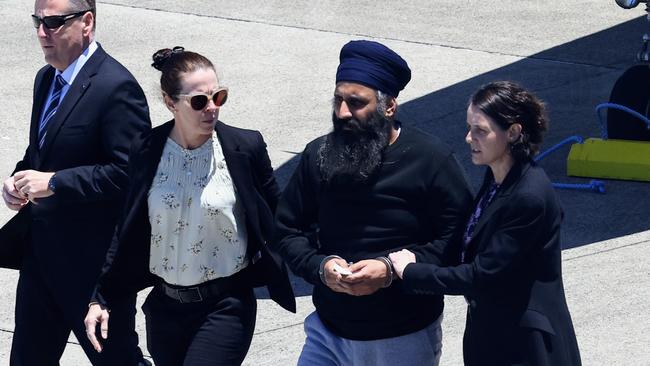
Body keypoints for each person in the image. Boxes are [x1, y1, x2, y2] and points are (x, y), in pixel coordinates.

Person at [84, 47, 296, 366]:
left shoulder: (244, 147)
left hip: (227, 305)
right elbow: (125, 225)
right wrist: (100, 296)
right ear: (171, 103)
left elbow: (282, 217)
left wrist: (319, 263)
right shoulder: (145, 149)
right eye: (199, 101)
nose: (211, 108)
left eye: (218, 97)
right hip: (166, 309)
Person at [272, 40, 472, 366]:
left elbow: (458, 239)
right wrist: (320, 267)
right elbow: (286, 230)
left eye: (356, 102)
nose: (342, 112)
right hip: (328, 332)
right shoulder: (318, 155)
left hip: (402, 337)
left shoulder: (430, 160)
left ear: (389, 107)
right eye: (338, 99)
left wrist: (392, 269)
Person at [0, 0, 151, 364]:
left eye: (53, 22)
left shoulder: (116, 87)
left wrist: (55, 183)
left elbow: (132, 174)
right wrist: (17, 179)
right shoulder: (46, 78)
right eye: (38, 21)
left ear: (87, 22)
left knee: (116, 360)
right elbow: (45, 150)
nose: (41, 33)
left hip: (93, 268)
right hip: (42, 258)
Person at [390, 81, 582, 365]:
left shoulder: (528, 197)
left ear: (514, 132)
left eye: (480, 130)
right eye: (469, 128)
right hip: (495, 335)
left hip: (524, 347)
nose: (469, 138)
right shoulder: (498, 177)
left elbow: (481, 276)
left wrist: (412, 271)